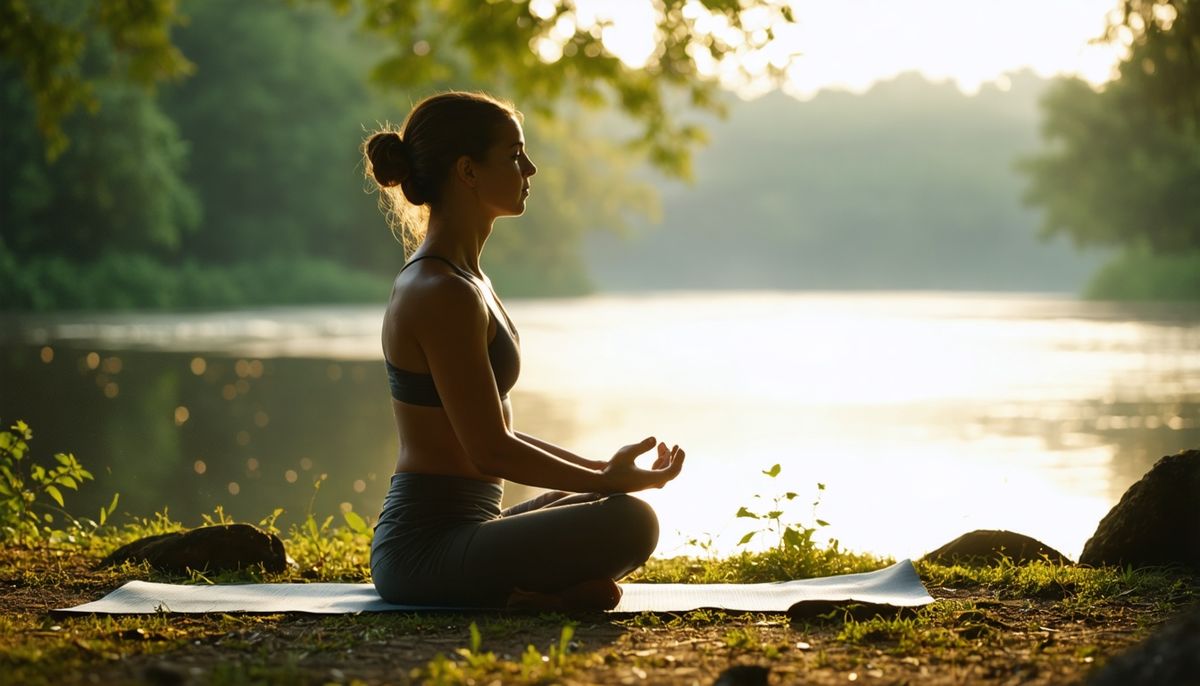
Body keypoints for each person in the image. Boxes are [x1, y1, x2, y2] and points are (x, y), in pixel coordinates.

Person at [362, 91, 686, 611]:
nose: (530, 169)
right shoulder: (438, 290)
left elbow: (495, 432)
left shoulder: (468, 281)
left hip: (473, 527)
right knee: (630, 521)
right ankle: (540, 597)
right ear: (468, 171)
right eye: (514, 155)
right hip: (422, 551)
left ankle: (538, 594)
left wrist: (602, 470)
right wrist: (604, 476)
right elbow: (489, 450)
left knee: (608, 501)